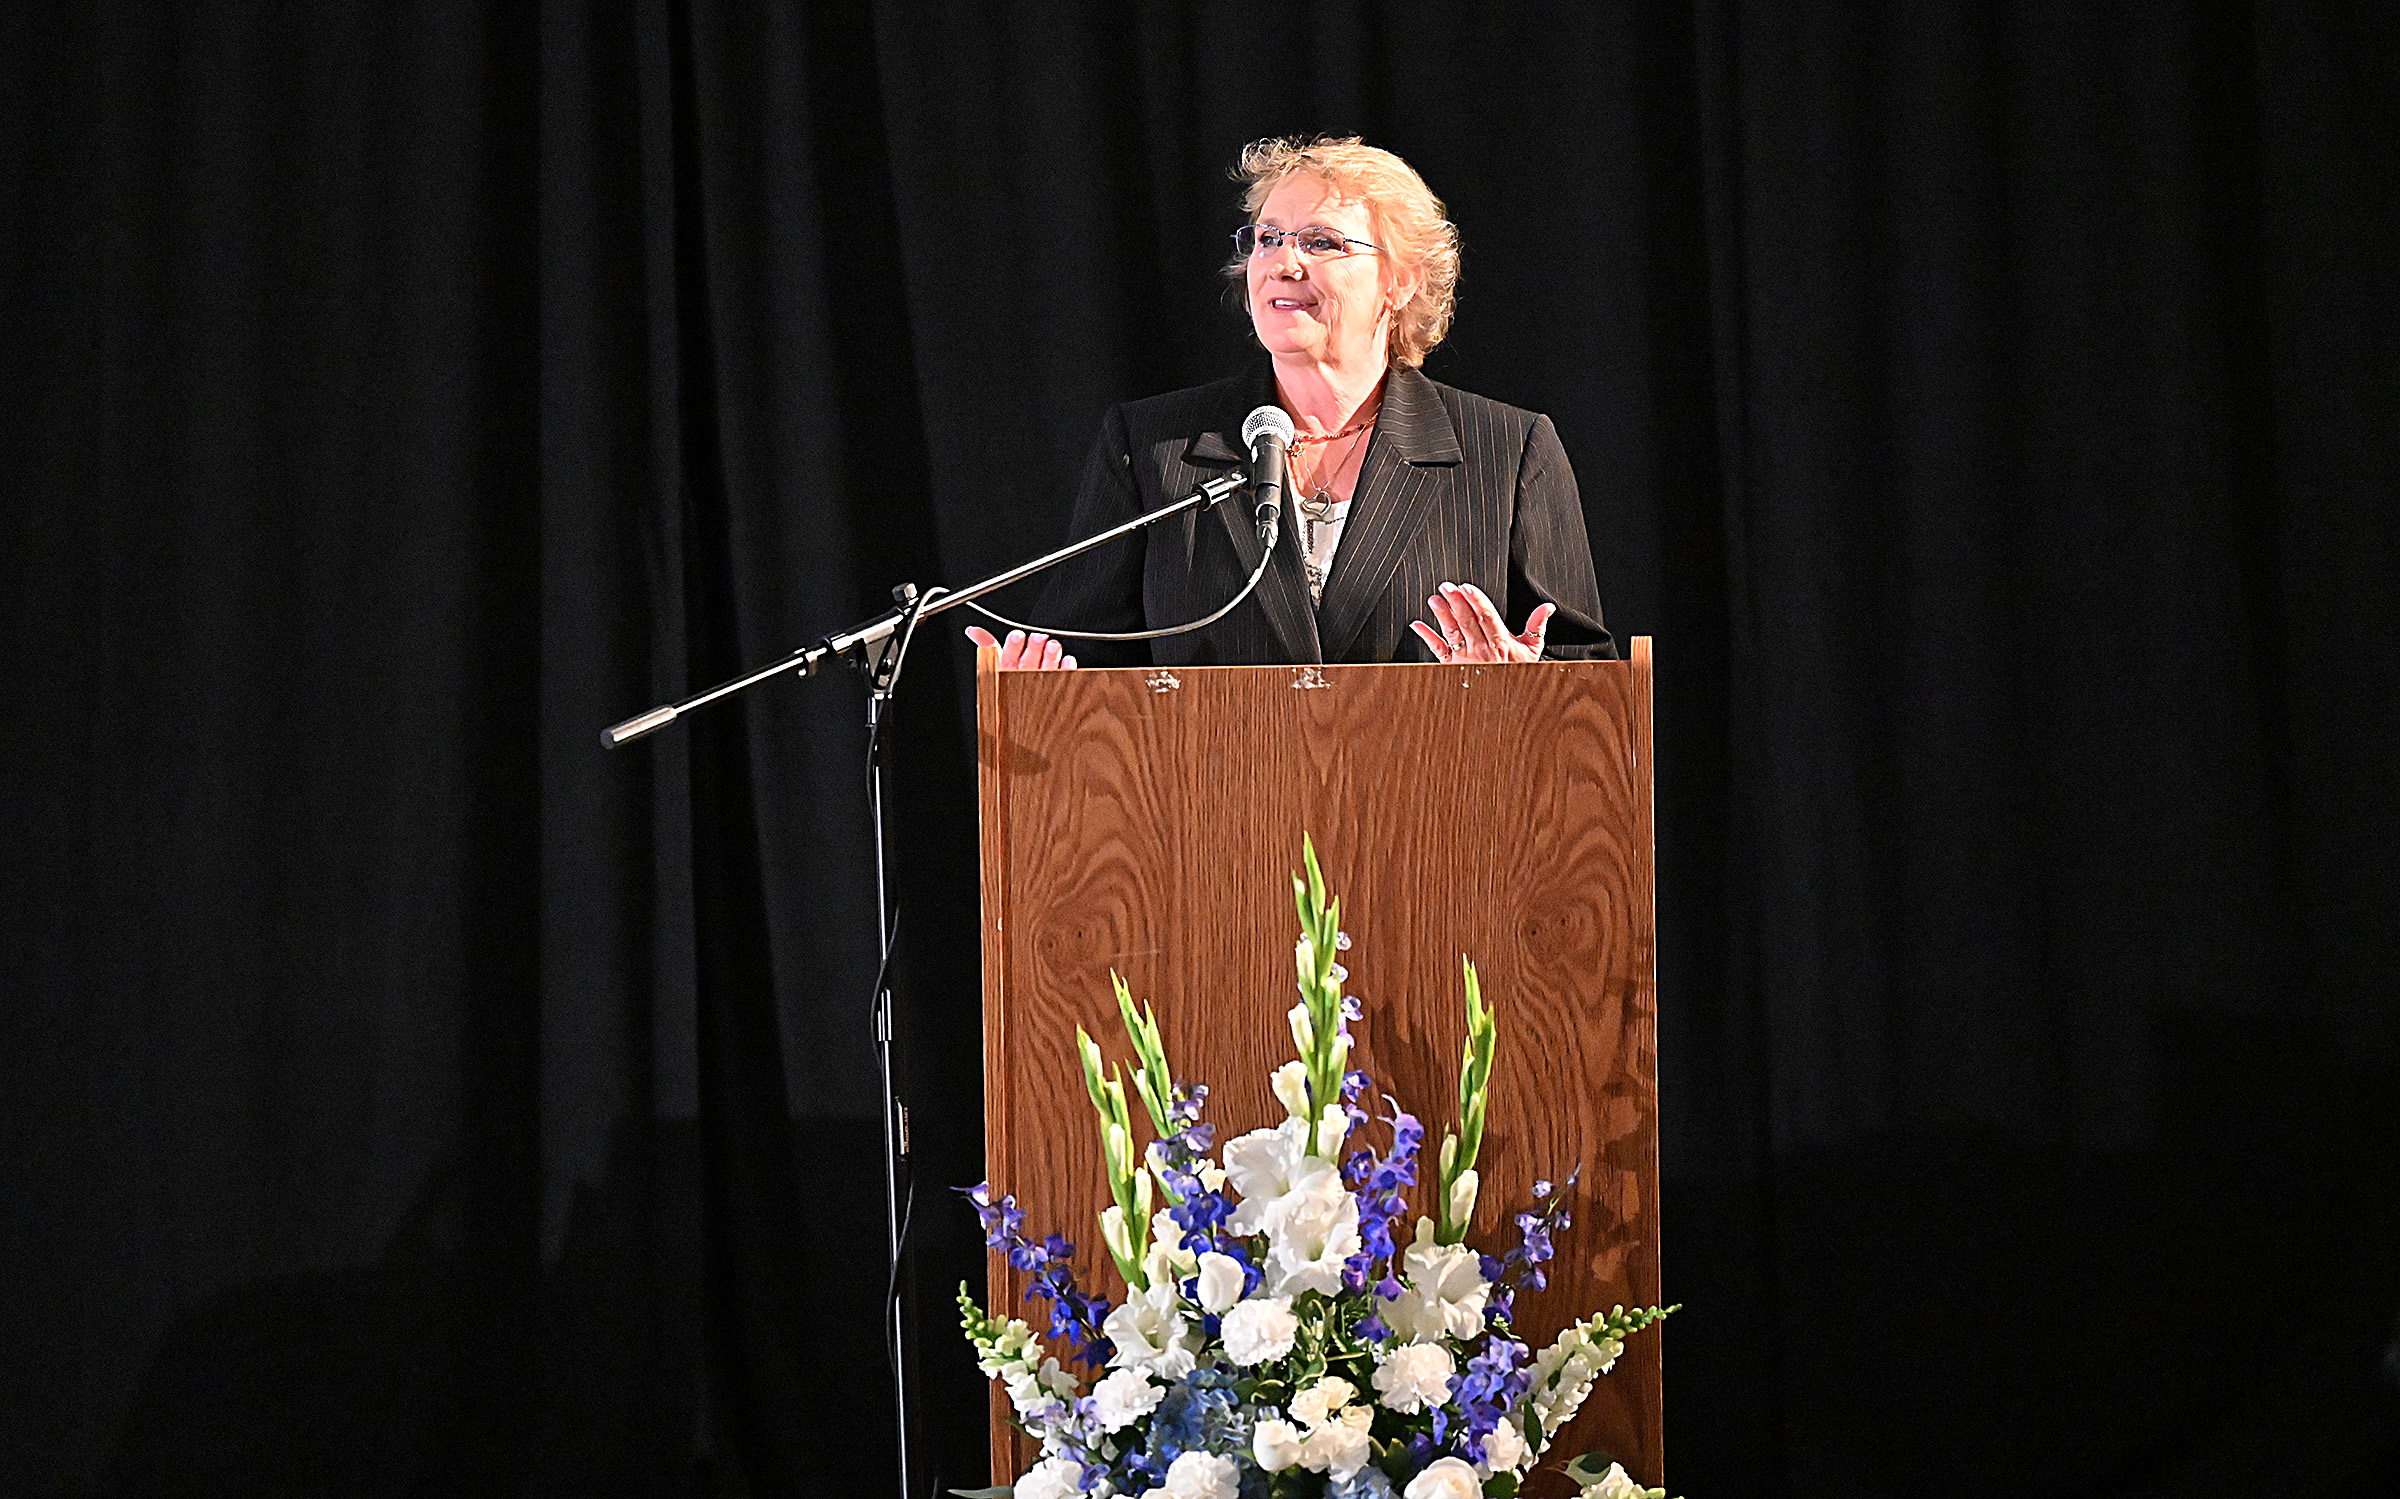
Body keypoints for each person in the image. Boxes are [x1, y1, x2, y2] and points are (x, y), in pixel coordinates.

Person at [965, 135, 1612, 670]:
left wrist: (1525, 688)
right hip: (1216, 816)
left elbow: (1590, 684)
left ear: (1401, 280)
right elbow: (1079, 657)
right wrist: (1041, 686)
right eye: (1268, 238)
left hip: (1435, 814)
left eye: (1321, 241)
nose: (1283, 262)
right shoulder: (1155, 447)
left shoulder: (1506, 451)